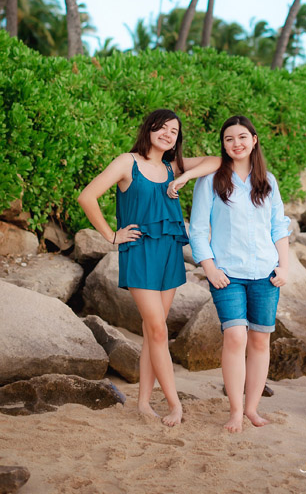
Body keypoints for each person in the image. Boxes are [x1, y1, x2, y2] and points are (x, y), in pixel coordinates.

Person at [78, 108, 220, 427]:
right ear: (149, 129)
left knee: (151, 332)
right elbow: (87, 197)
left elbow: (216, 161)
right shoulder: (126, 162)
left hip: (169, 252)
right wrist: (112, 235)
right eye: (162, 128)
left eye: (174, 131)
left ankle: (143, 402)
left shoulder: (172, 167)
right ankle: (174, 404)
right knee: (157, 330)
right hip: (140, 251)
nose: (168, 134)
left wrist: (184, 176)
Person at [188, 115, 290, 432]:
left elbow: (279, 226)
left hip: (265, 273)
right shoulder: (211, 180)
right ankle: (235, 411)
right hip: (227, 274)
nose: (236, 143)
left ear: (254, 140)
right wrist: (209, 268)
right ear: (223, 144)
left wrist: (284, 265)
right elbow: (197, 229)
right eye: (229, 139)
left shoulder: (268, 181)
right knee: (235, 337)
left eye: (242, 137)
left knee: (259, 341)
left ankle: (252, 409)